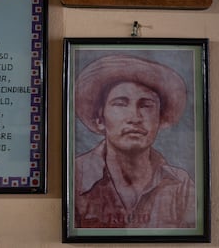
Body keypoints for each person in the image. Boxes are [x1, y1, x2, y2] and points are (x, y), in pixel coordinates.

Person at [74, 54, 196, 228]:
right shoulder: (76, 176)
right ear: (100, 119)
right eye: (120, 104)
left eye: (146, 105)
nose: (135, 117)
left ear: (160, 120)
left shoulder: (180, 186)